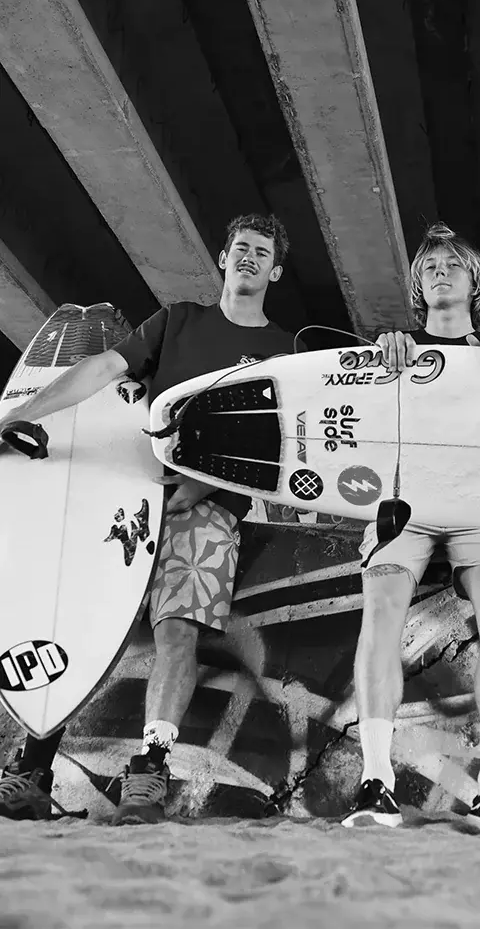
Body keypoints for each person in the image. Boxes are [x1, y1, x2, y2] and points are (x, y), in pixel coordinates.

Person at [0, 214, 299, 822]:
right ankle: (33, 767)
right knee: (80, 617)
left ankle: (150, 768)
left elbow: (285, 443)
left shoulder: (283, 351)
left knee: (176, 630)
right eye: (239, 247)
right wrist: (21, 413)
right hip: (127, 502)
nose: (248, 258)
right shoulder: (178, 320)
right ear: (222, 258)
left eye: (260, 252)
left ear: (276, 270)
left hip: (212, 507)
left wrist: (203, 480)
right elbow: (105, 369)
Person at [342, 223, 480, 834]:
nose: (439, 273)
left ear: (475, 283)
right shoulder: (393, 350)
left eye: (452, 265)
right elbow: (357, 427)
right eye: (428, 268)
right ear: (418, 288)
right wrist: (381, 361)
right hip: (408, 504)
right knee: (383, 607)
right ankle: (376, 782)